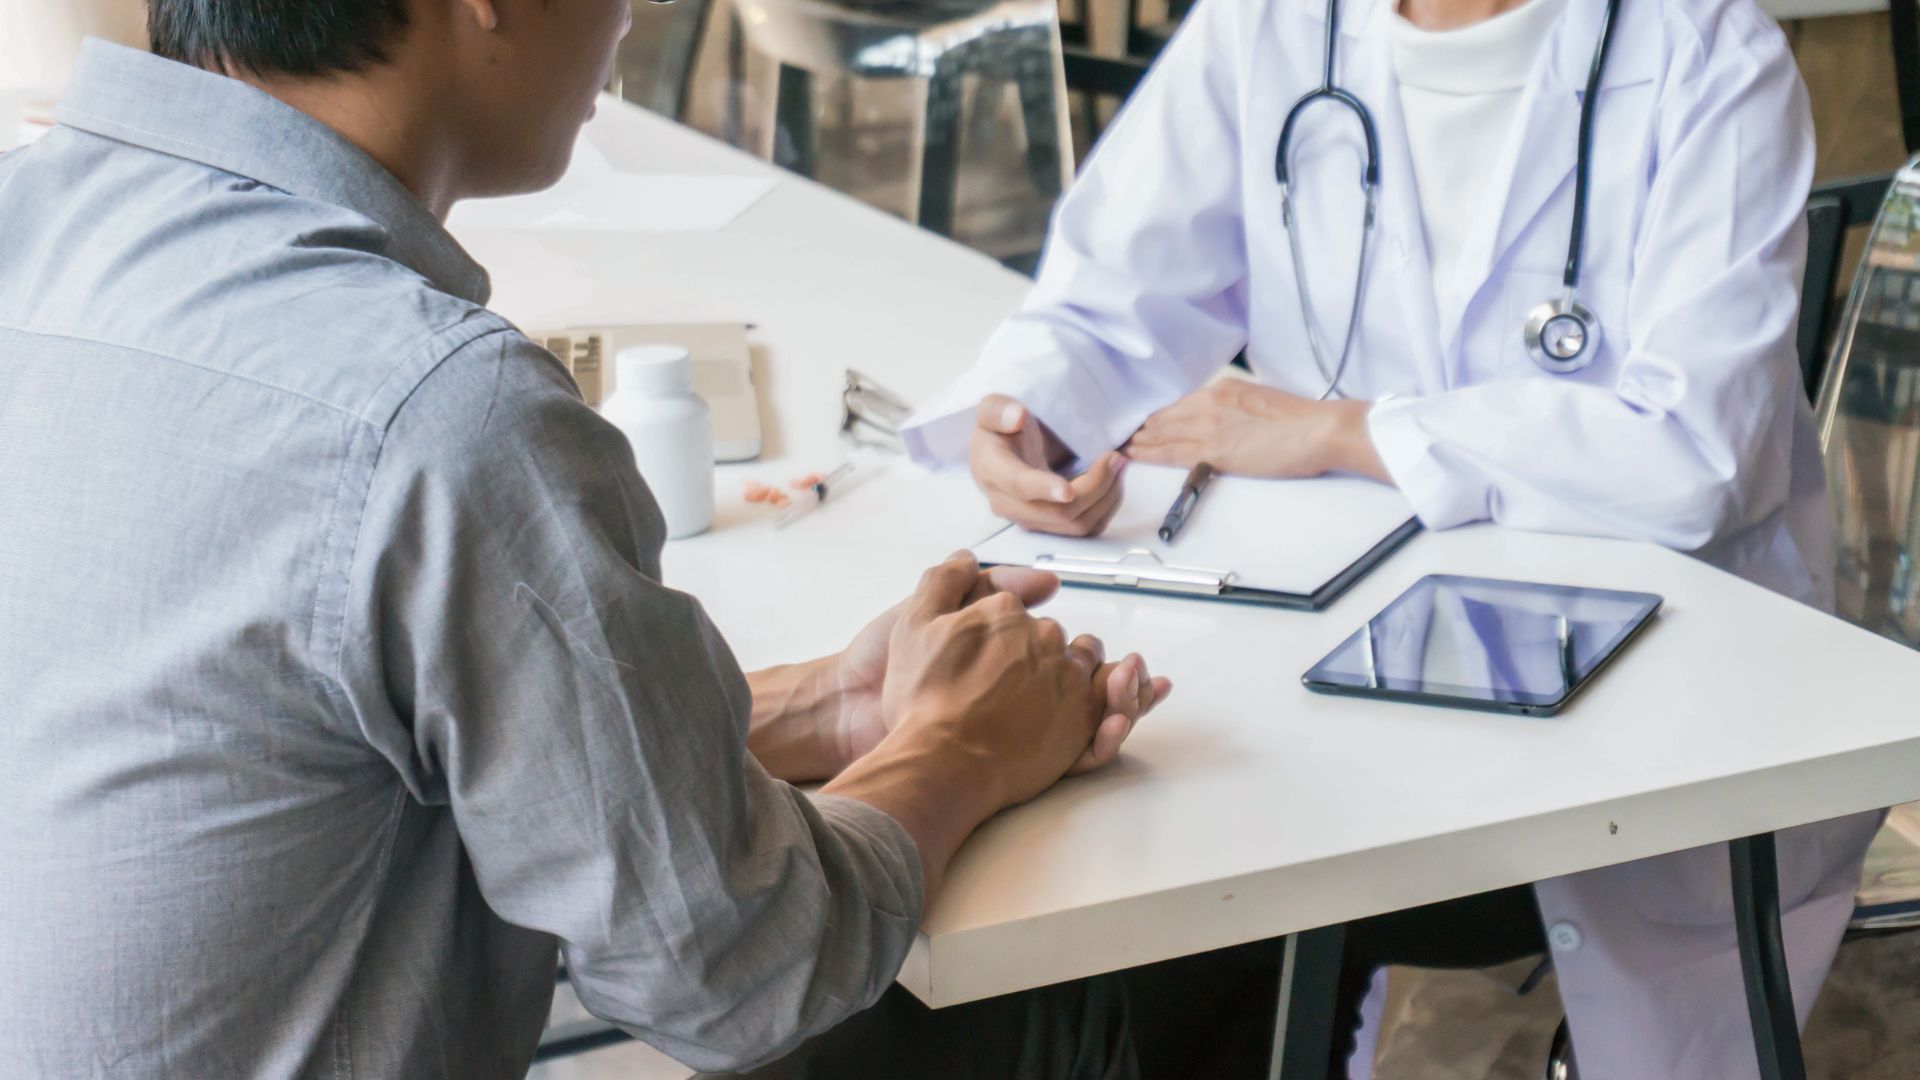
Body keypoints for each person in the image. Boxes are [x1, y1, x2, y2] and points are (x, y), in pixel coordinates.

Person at [0, 3, 1171, 1078]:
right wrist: (960, 747)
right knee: (999, 1019)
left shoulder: (34, 224)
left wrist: (814, 709)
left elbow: (261, 737)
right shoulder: (438, 415)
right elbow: (733, 975)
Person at [900, 0, 1882, 1072]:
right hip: (1330, 665)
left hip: (1636, 711)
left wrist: (1350, 432)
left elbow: (1697, 454)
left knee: (1191, 894)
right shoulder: (1270, 24)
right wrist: (1028, 415)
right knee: (1118, 870)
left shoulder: (1706, 50)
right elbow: (1102, 297)